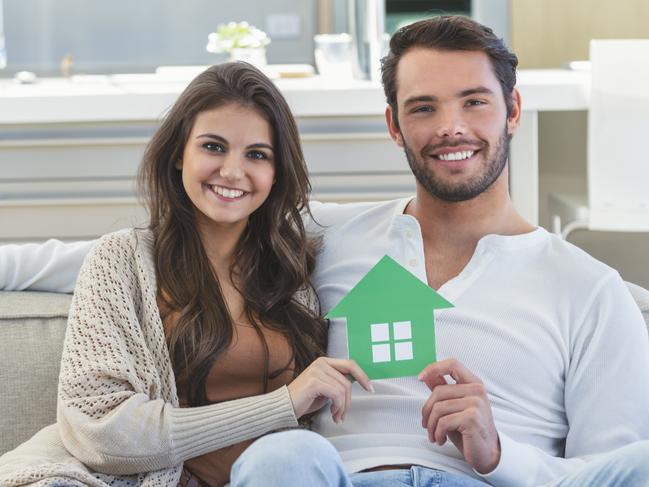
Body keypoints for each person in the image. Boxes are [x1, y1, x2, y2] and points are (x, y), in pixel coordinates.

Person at [2, 15, 649, 487]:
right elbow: (150, 251)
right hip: (331, 477)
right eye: (422, 107)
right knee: (280, 457)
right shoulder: (331, 238)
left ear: (510, 110)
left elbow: (607, 470)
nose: (450, 126)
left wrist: (498, 451)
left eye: (472, 102)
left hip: (485, 480)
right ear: (394, 125)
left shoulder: (590, 289)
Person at [0, 62, 373, 487]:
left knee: (295, 454)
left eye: (256, 154)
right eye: (213, 147)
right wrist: (282, 403)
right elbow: (101, 431)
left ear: (276, 172)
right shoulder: (122, 261)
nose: (232, 171)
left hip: (272, 476)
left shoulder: (297, 271)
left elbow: (390, 223)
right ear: (180, 153)